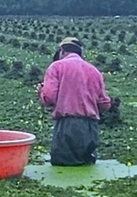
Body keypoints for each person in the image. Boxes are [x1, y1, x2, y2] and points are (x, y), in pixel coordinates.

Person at [39, 37, 110, 166]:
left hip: (67, 126)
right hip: (90, 128)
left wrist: (41, 93)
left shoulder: (57, 67)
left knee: (63, 168)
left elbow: (49, 97)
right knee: (87, 170)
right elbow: (104, 103)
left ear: (62, 51)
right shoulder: (94, 71)